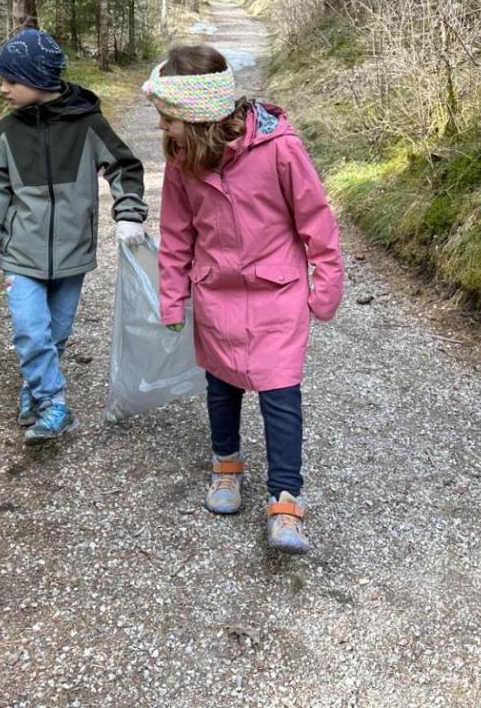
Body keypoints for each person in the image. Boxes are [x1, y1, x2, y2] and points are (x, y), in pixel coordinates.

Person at [145, 44, 343, 554]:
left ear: (199, 116)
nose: (161, 127)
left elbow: (316, 219)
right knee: (222, 384)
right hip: (217, 291)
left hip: (278, 292)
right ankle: (226, 464)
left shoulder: (280, 149)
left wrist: (326, 282)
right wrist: (172, 296)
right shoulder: (183, 161)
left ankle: (286, 499)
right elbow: (176, 233)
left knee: (281, 394)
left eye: (168, 117)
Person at [0, 27, 147, 443]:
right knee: (31, 331)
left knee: (55, 335)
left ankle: (35, 389)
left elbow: (124, 167)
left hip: (73, 254)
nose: (2, 88)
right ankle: (54, 404)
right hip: (21, 255)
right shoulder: (6, 132)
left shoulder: (87, 124)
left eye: (11, 79)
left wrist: (129, 214)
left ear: (39, 79)